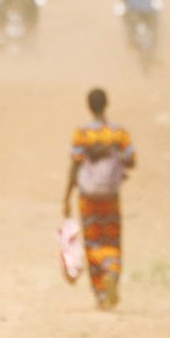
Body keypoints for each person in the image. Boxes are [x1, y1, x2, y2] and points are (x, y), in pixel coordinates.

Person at [62, 88, 137, 311]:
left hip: (88, 197)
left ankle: (101, 293)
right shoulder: (119, 133)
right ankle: (112, 271)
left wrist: (66, 197)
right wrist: (112, 154)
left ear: (89, 106)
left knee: (93, 241)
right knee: (112, 239)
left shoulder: (83, 134)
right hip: (111, 197)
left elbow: (75, 165)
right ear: (107, 104)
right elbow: (131, 161)